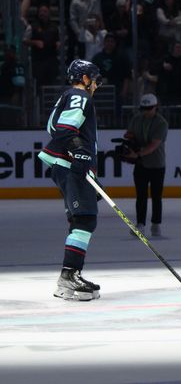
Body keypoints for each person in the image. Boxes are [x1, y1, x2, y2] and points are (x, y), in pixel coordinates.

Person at [37, 60, 103, 301]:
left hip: (71, 167)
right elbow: (64, 128)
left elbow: (53, 126)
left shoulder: (69, 95)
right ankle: (68, 276)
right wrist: (78, 150)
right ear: (84, 78)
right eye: (94, 78)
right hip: (70, 166)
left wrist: (91, 173)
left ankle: (71, 273)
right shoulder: (79, 95)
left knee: (81, 219)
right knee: (84, 219)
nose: (96, 84)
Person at [124, 94, 169, 237]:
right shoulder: (137, 119)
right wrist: (129, 138)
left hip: (156, 164)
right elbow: (129, 133)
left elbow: (154, 145)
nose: (146, 111)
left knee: (156, 196)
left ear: (156, 107)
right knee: (141, 196)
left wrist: (138, 154)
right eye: (144, 108)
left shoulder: (161, 123)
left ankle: (156, 224)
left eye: (149, 108)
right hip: (141, 164)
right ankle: (140, 224)